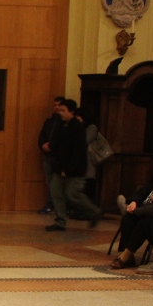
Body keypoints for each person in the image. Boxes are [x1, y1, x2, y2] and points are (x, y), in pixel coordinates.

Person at [45, 99, 102, 231]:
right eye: (59, 110)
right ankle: (60, 222)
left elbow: (78, 152)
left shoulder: (78, 128)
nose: (60, 113)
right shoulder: (59, 124)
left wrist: (68, 169)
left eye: (63, 111)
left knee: (72, 194)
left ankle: (94, 211)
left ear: (71, 112)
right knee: (55, 192)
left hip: (75, 169)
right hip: (59, 167)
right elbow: (54, 144)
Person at [36, 96, 64, 214]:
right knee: (48, 181)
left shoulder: (65, 123)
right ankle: (50, 204)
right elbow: (42, 135)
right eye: (55, 105)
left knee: (58, 182)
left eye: (59, 105)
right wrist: (43, 145)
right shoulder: (49, 121)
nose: (56, 107)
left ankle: (60, 206)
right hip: (48, 156)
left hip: (58, 157)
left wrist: (53, 146)